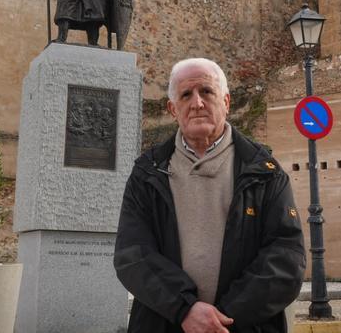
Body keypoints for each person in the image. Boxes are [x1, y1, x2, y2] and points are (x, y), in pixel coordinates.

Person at [114, 58, 306, 333]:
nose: (197, 103)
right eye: (185, 95)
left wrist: (221, 319)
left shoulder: (266, 172)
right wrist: (185, 309)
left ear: (226, 102)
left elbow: (286, 257)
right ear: (172, 109)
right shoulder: (147, 173)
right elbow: (132, 254)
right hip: (164, 323)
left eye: (206, 91)